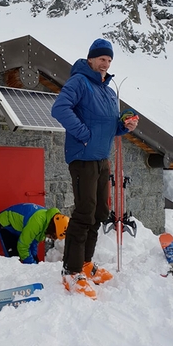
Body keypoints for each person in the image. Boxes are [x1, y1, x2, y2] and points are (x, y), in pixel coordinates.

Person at [51, 38, 139, 299]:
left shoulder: (108, 91)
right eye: (101, 58)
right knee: (85, 211)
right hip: (83, 157)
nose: (105, 63)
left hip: (102, 158)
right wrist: (84, 134)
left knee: (100, 211)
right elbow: (59, 108)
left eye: (109, 60)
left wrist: (125, 126)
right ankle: (71, 270)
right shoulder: (79, 82)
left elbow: (111, 126)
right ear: (90, 59)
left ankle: (86, 265)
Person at [0, 203, 69, 263]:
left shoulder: (46, 223)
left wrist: (34, 257)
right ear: (53, 228)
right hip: (6, 224)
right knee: (14, 260)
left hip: (19, 228)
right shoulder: (37, 222)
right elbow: (23, 245)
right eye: (53, 235)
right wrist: (30, 263)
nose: (52, 238)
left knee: (30, 259)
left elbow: (33, 241)